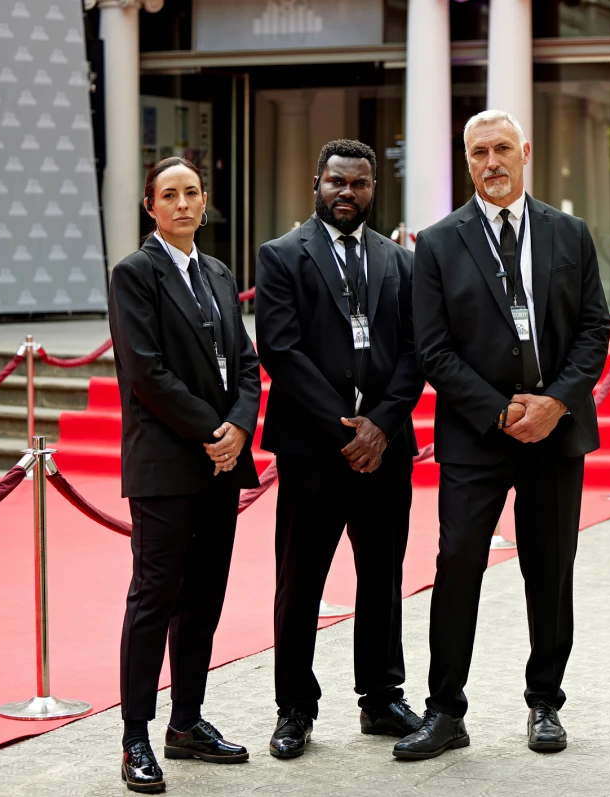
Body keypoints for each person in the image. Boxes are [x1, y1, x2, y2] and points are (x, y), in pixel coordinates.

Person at [395, 110, 610, 760]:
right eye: (479, 152)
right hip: (473, 437)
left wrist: (553, 403)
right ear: (468, 161)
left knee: (550, 568)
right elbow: (432, 349)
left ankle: (545, 702)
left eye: (502, 149)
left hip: (556, 431)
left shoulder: (569, 233)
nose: (492, 161)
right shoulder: (436, 243)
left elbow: (594, 329)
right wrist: (499, 411)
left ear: (526, 153)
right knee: (458, 564)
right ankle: (444, 710)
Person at [255, 139, 426, 759]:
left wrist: (380, 424)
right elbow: (280, 348)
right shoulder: (280, 256)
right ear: (317, 184)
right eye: (336, 182)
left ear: (373, 188)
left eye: (358, 183)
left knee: (383, 575)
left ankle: (381, 698)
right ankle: (294, 708)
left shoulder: (401, 262)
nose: (346, 193)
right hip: (311, 448)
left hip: (386, 449)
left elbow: (417, 351)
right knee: (301, 581)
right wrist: (345, 428)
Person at [108, 157, 261, 793]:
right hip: (167, 464)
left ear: (205, 202)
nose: (181, 204)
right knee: (154, 599)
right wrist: (212, 431)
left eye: (191, 193)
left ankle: (187, 723)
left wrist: (238, 428)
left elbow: (247, 365)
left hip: (220, 464)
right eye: (168, 195)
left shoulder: (221, 273)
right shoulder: (135, 274)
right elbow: (146, 374)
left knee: (204, 599)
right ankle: (135, 737)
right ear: (151, 206)